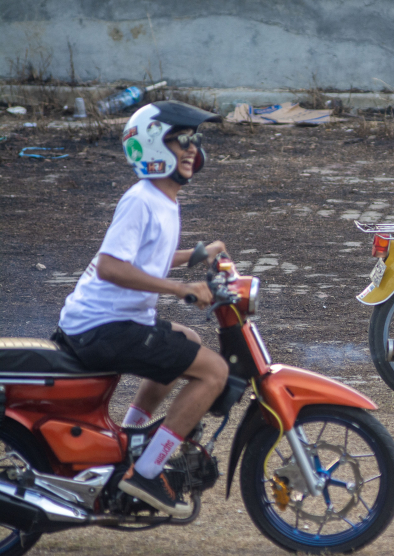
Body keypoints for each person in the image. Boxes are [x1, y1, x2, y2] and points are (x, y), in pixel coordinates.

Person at [54, 101, 229, 517]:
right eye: (179, 140)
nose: (191, 149)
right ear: (152, 146)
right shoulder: (142, 200)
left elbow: (147, 257)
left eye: (194, 141)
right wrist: (180, 288)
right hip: (102, 328)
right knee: (214, 372)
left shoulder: (163, 200)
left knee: (186, 340)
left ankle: (132, 433)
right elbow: (112, 265)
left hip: (111, 323)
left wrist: (196, 255)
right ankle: (147, 472)